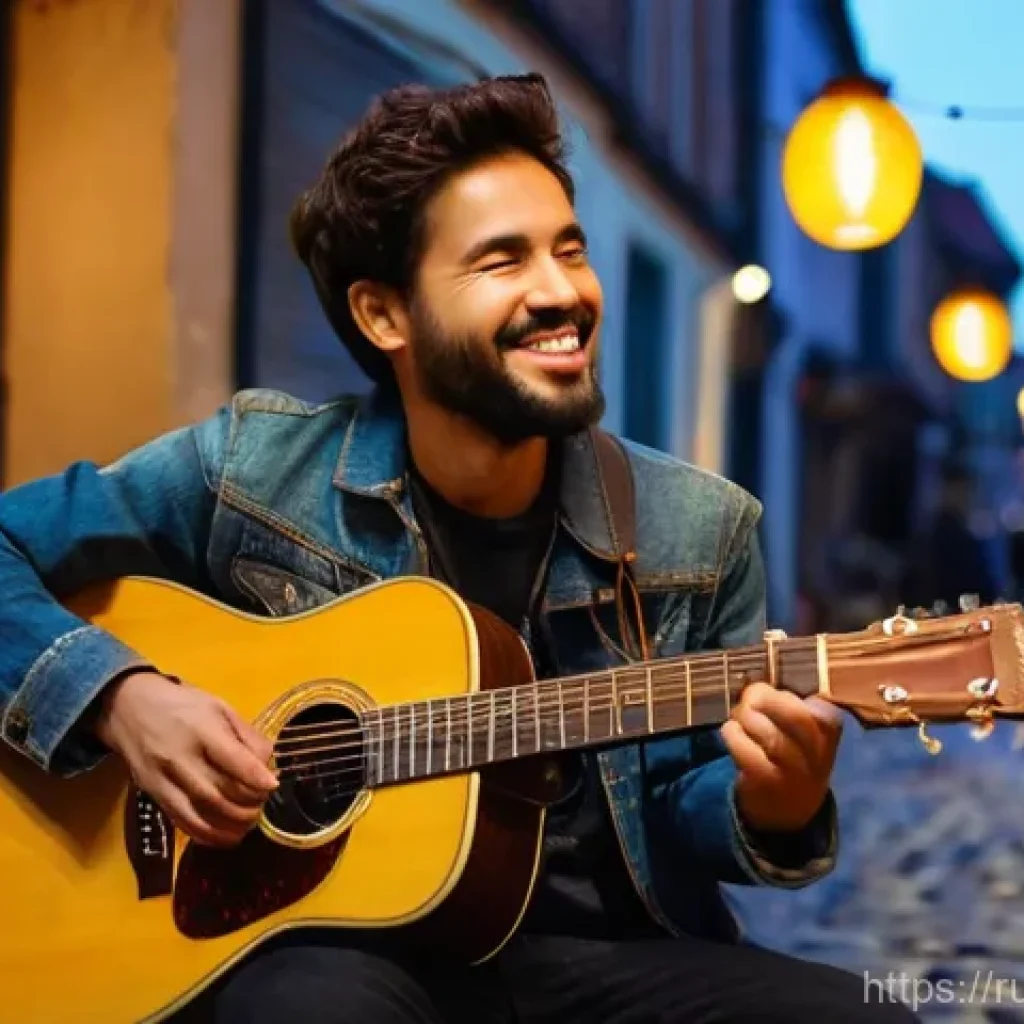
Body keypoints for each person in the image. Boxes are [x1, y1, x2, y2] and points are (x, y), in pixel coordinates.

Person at [0, 74, 916, 1023]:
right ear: (384, 315)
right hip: (333, 953)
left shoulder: (701, 529)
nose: (562, 292)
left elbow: (693, 811)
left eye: (570, 249)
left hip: (599, 958)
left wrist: (777, 801)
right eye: (501, 261)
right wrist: (119, 698)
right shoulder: (251, 470)